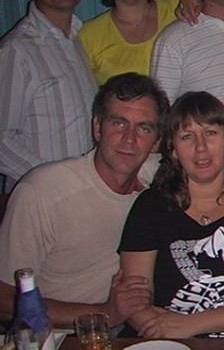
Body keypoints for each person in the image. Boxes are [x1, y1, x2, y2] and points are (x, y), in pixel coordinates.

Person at [0, 72, 169, 328]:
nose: (129, 139)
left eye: (144, 128)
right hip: (58, 335)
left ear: (156, 142)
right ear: (97, 128)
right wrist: (105, 313)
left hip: (129, 328)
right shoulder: (44, 191)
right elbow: (4, 300)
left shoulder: (158, 181)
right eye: (119, 123)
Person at [118, 91, 224, 338]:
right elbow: (134, 300)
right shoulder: (150, 207)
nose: (200, 147)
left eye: (210, 133)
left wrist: (191, 325)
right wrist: (164, 333)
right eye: (187, 136)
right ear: (173, 149)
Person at [0, 0, 98, 192]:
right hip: (41, 196)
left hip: (84, 189)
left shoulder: (77, 40)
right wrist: (52, 181)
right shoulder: (17, 49)